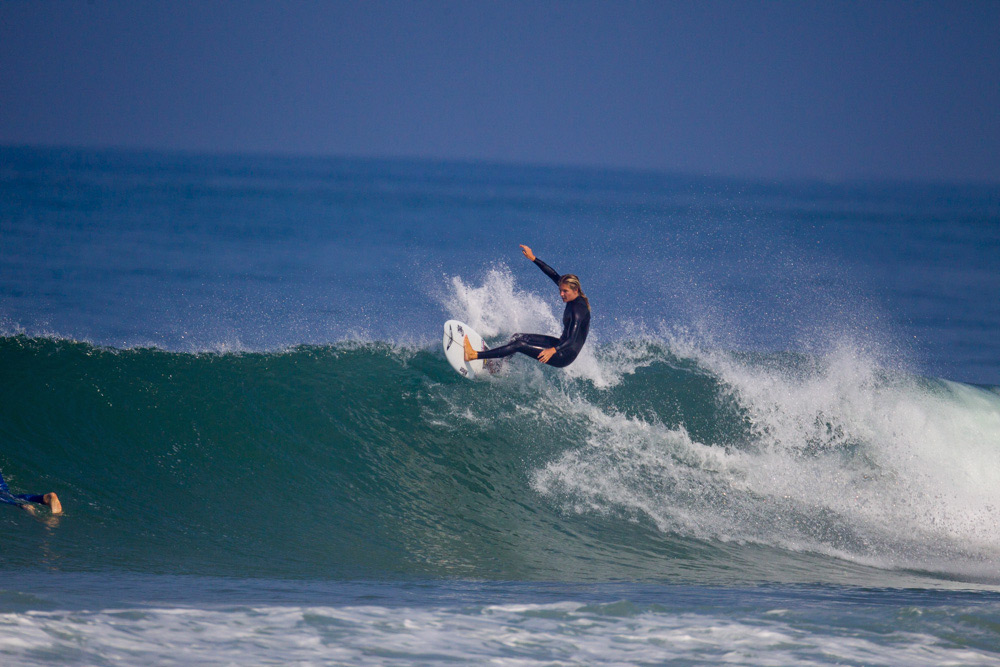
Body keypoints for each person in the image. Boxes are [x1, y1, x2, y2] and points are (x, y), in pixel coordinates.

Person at [465, 245, 590, 369]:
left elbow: (572, 339)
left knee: (519, 345)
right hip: (560, 344)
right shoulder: (572, 295)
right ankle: (498, 365)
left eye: (565, 291)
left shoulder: (577, 310)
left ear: (576, 290)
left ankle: (473, 355)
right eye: (560, 290)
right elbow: (553, 274)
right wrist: (533, 258)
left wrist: (552, 350)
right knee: (518, 337)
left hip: (564, 355)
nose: (561, 294)